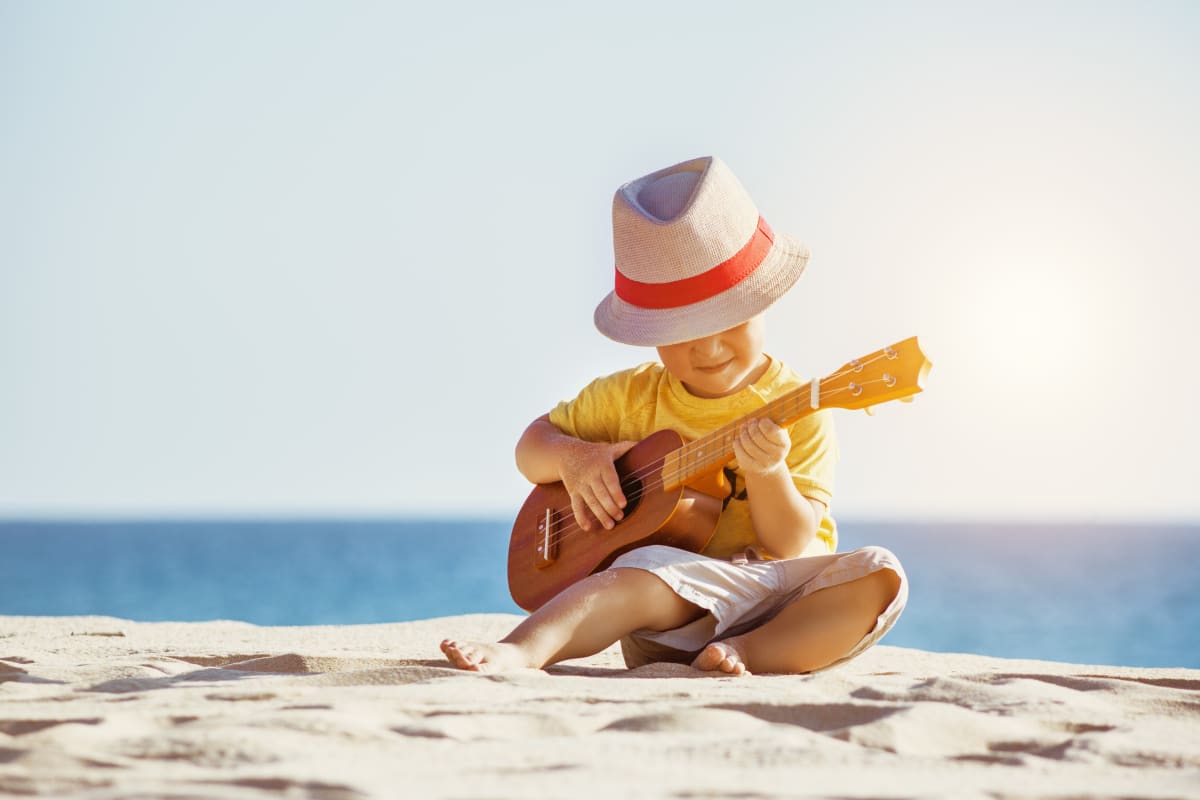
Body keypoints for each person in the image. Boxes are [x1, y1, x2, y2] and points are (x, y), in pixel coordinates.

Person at [441, 156, 908, 676]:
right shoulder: (628, 397)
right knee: (639, 569)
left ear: (764, 301)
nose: (707, 347)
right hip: (666, 605)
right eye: (681, 328)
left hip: (773, 601)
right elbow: (531, 450)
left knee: (880, 574)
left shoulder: (801, 408)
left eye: (728, 317)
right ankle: (523, 650)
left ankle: (745, 655)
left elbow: (791, 544)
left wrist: (768, 472)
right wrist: (574, 458)